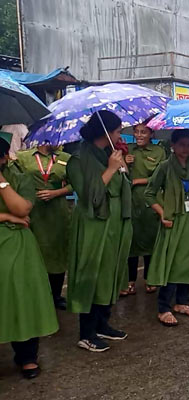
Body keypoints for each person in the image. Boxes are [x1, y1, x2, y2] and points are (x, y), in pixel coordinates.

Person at [66, 110, 132, 352]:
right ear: (104, 131)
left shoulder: (109, 154)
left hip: (115, 223)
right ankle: (86, 332)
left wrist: (120, 165)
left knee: (109, 273)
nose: (119, 134)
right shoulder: (78, 159)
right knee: (91, 274)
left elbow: (124, 185)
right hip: (94, 225)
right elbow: (89, 196)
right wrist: (111, 169)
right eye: (117, 131)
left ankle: (103, 323)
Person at [0, 131, 59, 379]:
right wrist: (6, 217)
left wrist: (0, 181)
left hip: (16, 243)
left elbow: (23, 208)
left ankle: (27, 356)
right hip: (9, 227)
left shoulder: (20, 177)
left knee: (23, 297)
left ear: (5, 158)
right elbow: (15, 214)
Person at [145, 130, 189, 326]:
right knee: (172, 264)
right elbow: (149, 194)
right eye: (181, 144)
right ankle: (164, 307)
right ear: (172, 145)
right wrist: (162, 213)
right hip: (174, 221)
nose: (185, 149)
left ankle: (181, 302)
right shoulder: (165, 167)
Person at [12, 142, 72, 309]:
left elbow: (75, 183)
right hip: (32, 210)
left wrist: (56, 192)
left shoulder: (66, 158)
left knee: (57, 253)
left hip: (57, 212)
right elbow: (14, 179)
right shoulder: (23, 157)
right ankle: (34, 296)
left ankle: (56, 296)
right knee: (33, 252)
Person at [123, 122, 166, 296]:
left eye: (143, 132)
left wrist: (139, 181)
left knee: (150, 240)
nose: (139, 135)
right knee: (131, 242)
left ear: (151, 135)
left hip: (150, 201)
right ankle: (130, 280)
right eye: (136, 132)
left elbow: (160, 176)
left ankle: (149, 278)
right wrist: (125, 164)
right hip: (131, 202)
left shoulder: (159, 152)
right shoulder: (127, 150)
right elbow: (119, 173)